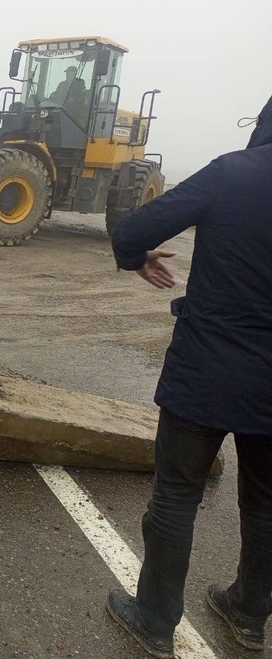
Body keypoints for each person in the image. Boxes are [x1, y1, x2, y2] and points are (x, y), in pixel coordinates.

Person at [107, 96, 272, 658]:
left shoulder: (232, 173)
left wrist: (136, 258)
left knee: (177, 493)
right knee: (267, 501)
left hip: (207, 370)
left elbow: (134, 229)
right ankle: (250, 614)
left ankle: (154, 619)